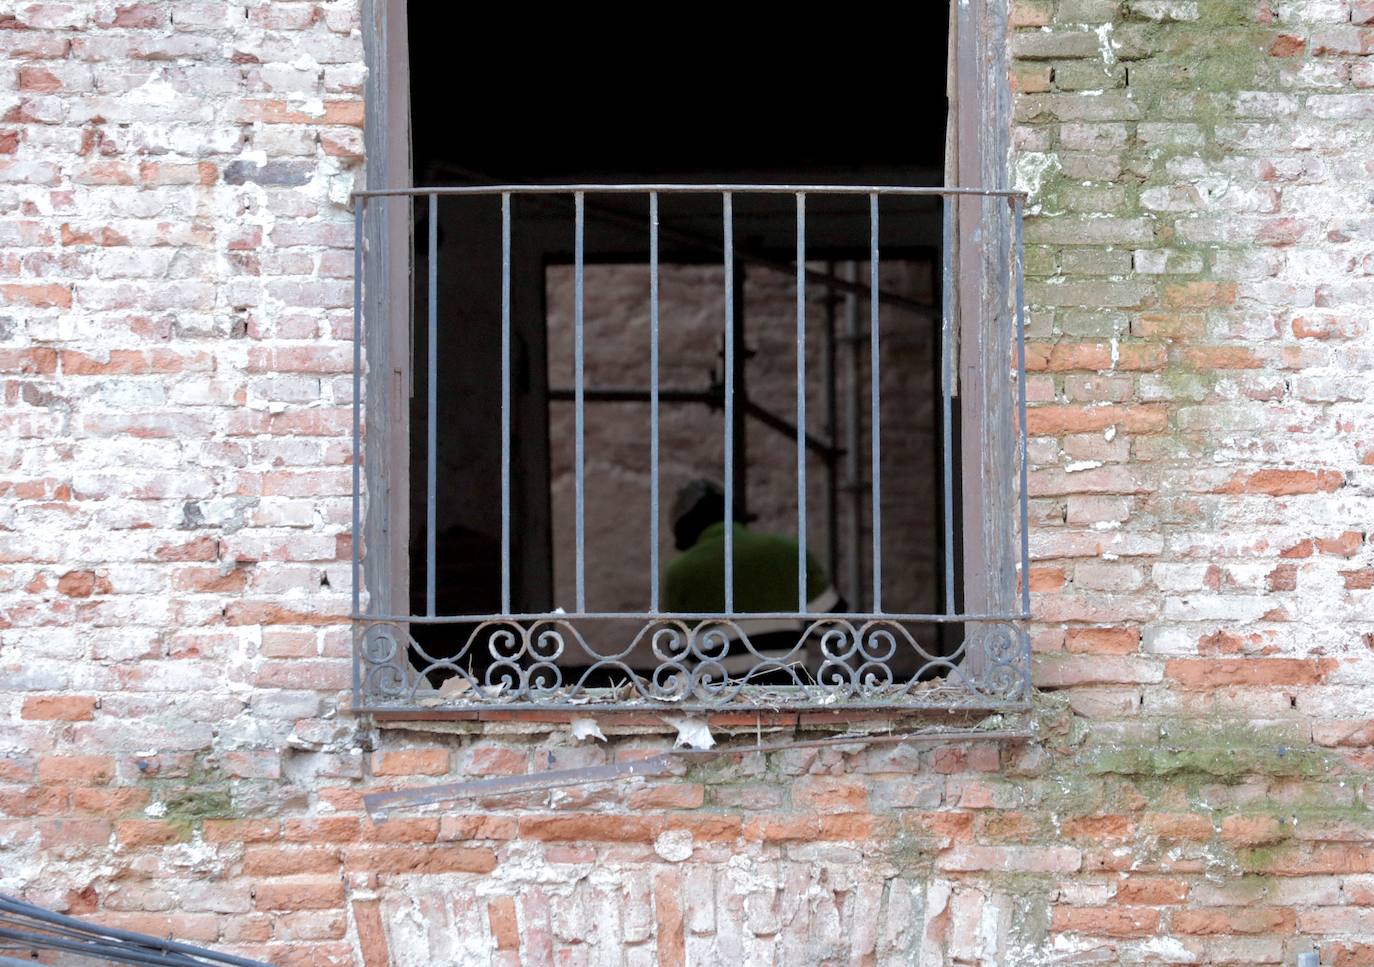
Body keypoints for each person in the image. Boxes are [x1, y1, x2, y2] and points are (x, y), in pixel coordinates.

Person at [663, 479, 843, 679]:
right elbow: (837, 627)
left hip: (720, 699)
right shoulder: (787, 552)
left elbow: (678, 650)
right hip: (788, 697)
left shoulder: (679, 572)